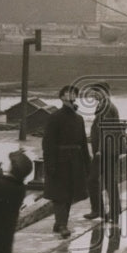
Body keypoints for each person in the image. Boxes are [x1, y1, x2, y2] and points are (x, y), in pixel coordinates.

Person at [42, 85, 91, 239]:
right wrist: (50, 164)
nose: (71, 95)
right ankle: (62, 225)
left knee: (69, 193)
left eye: (74, 93)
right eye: (68, 93)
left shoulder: (79, 119)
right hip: (59, 160)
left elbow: (83, 142)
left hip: (75, 161)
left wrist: (87, 163)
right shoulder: (54, 117)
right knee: (60, 194)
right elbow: (47, 143)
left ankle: (60, 222)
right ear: (62, 97)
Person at [84, 82, 124, 224]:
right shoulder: (105, 104)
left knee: (94, 180)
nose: (93, 94)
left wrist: (100, 149)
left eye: (96, 92)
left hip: (105, 151)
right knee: (107, 181)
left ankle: (99, 210)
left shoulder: (106, 107)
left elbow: (107, 130)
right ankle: (114, 210)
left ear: (104, 92)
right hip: (109, 149)